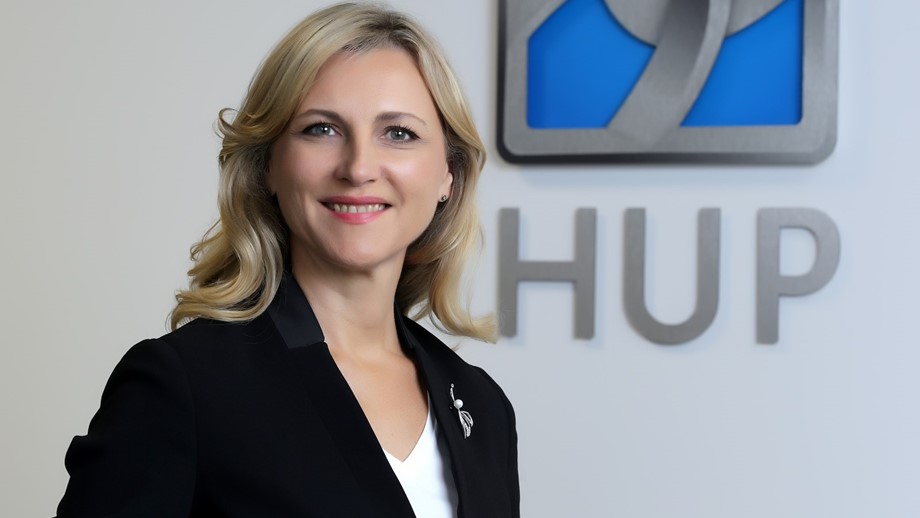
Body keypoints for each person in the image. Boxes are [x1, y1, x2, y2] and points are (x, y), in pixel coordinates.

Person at [55, 3, 519, 517]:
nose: (359, 167)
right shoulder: (185, 385)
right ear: (269, 166)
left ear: (448, 174)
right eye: (322, 129)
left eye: (399, 133)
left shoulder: (483, 407)